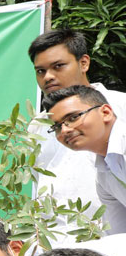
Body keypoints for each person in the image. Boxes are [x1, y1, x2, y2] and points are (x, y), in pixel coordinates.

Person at [28, 29, 126, 239]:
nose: (49, 77)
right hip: (58, 243)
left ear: (84, 63)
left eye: (58, 66)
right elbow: (40, 187)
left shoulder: (121, 105)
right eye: (40, 71)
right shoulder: (37, 127)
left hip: (107, 237)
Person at [42, 85, 126, 233]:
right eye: (56, 127)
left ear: (105, 112)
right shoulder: (103, 175)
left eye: (73, 118)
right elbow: (118, 235)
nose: (65, 130)